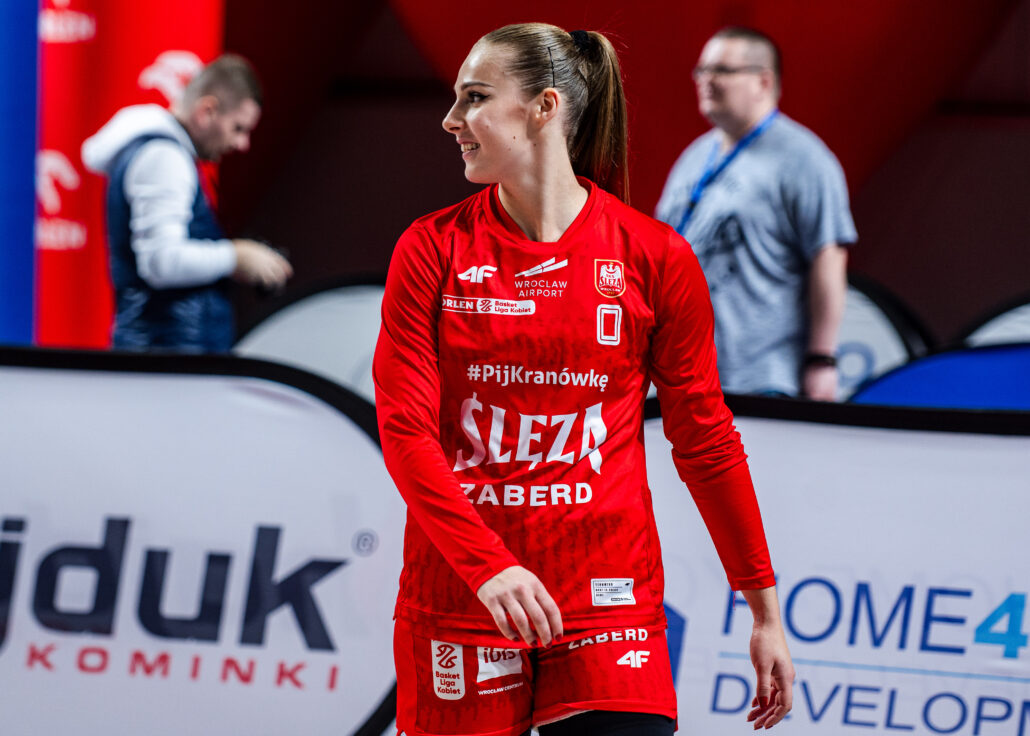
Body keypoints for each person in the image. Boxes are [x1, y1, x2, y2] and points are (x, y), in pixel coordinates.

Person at [373, 23, 794, 736]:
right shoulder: (430, 249)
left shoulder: (655, 256)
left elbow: (706, 441)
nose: (451, 120)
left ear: (544, 107)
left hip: (608, 601)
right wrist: (488, 566)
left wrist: (763, 611)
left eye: (475, 98)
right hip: (463, 595)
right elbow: (406, 433)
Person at [655, 27, 857, 400]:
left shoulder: (804, 159)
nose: (706, 80)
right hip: (681, 378)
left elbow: (829, 257)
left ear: (763, 81)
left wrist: (822, 360)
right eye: (701, 70)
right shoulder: (694, 157)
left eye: (722, 70)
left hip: (759, 381)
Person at [82, 54, 292, 352]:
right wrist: (236, 256)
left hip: (167, 354)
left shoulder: (159, 153)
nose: (242, 144)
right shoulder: (163, 157)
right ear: (207, 111)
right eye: (238, 128)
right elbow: (161, 262)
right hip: (168, 358)